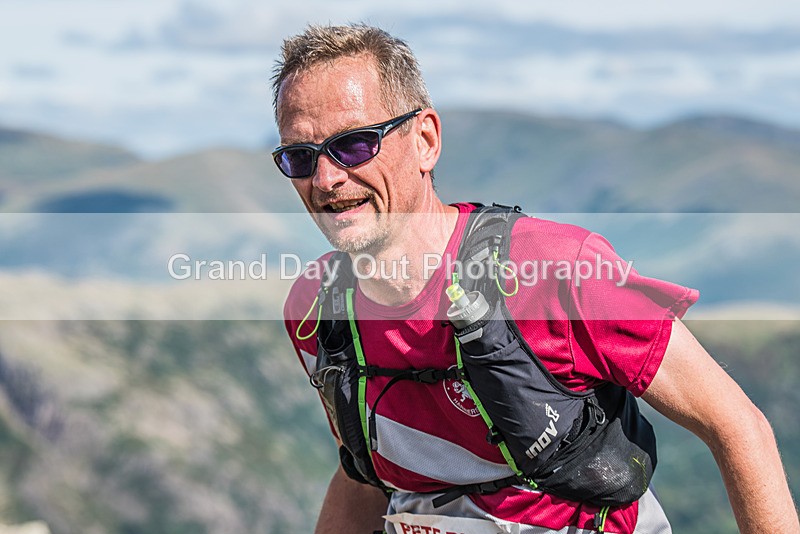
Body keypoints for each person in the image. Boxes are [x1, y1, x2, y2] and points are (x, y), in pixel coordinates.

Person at [274, 23, 799, 534]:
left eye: (356, 143)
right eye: (300, 156)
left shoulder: (558, 272)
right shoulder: (318, 310)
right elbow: (366, 476)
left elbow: (736, 425)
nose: (327, 179)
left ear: (425, 141)